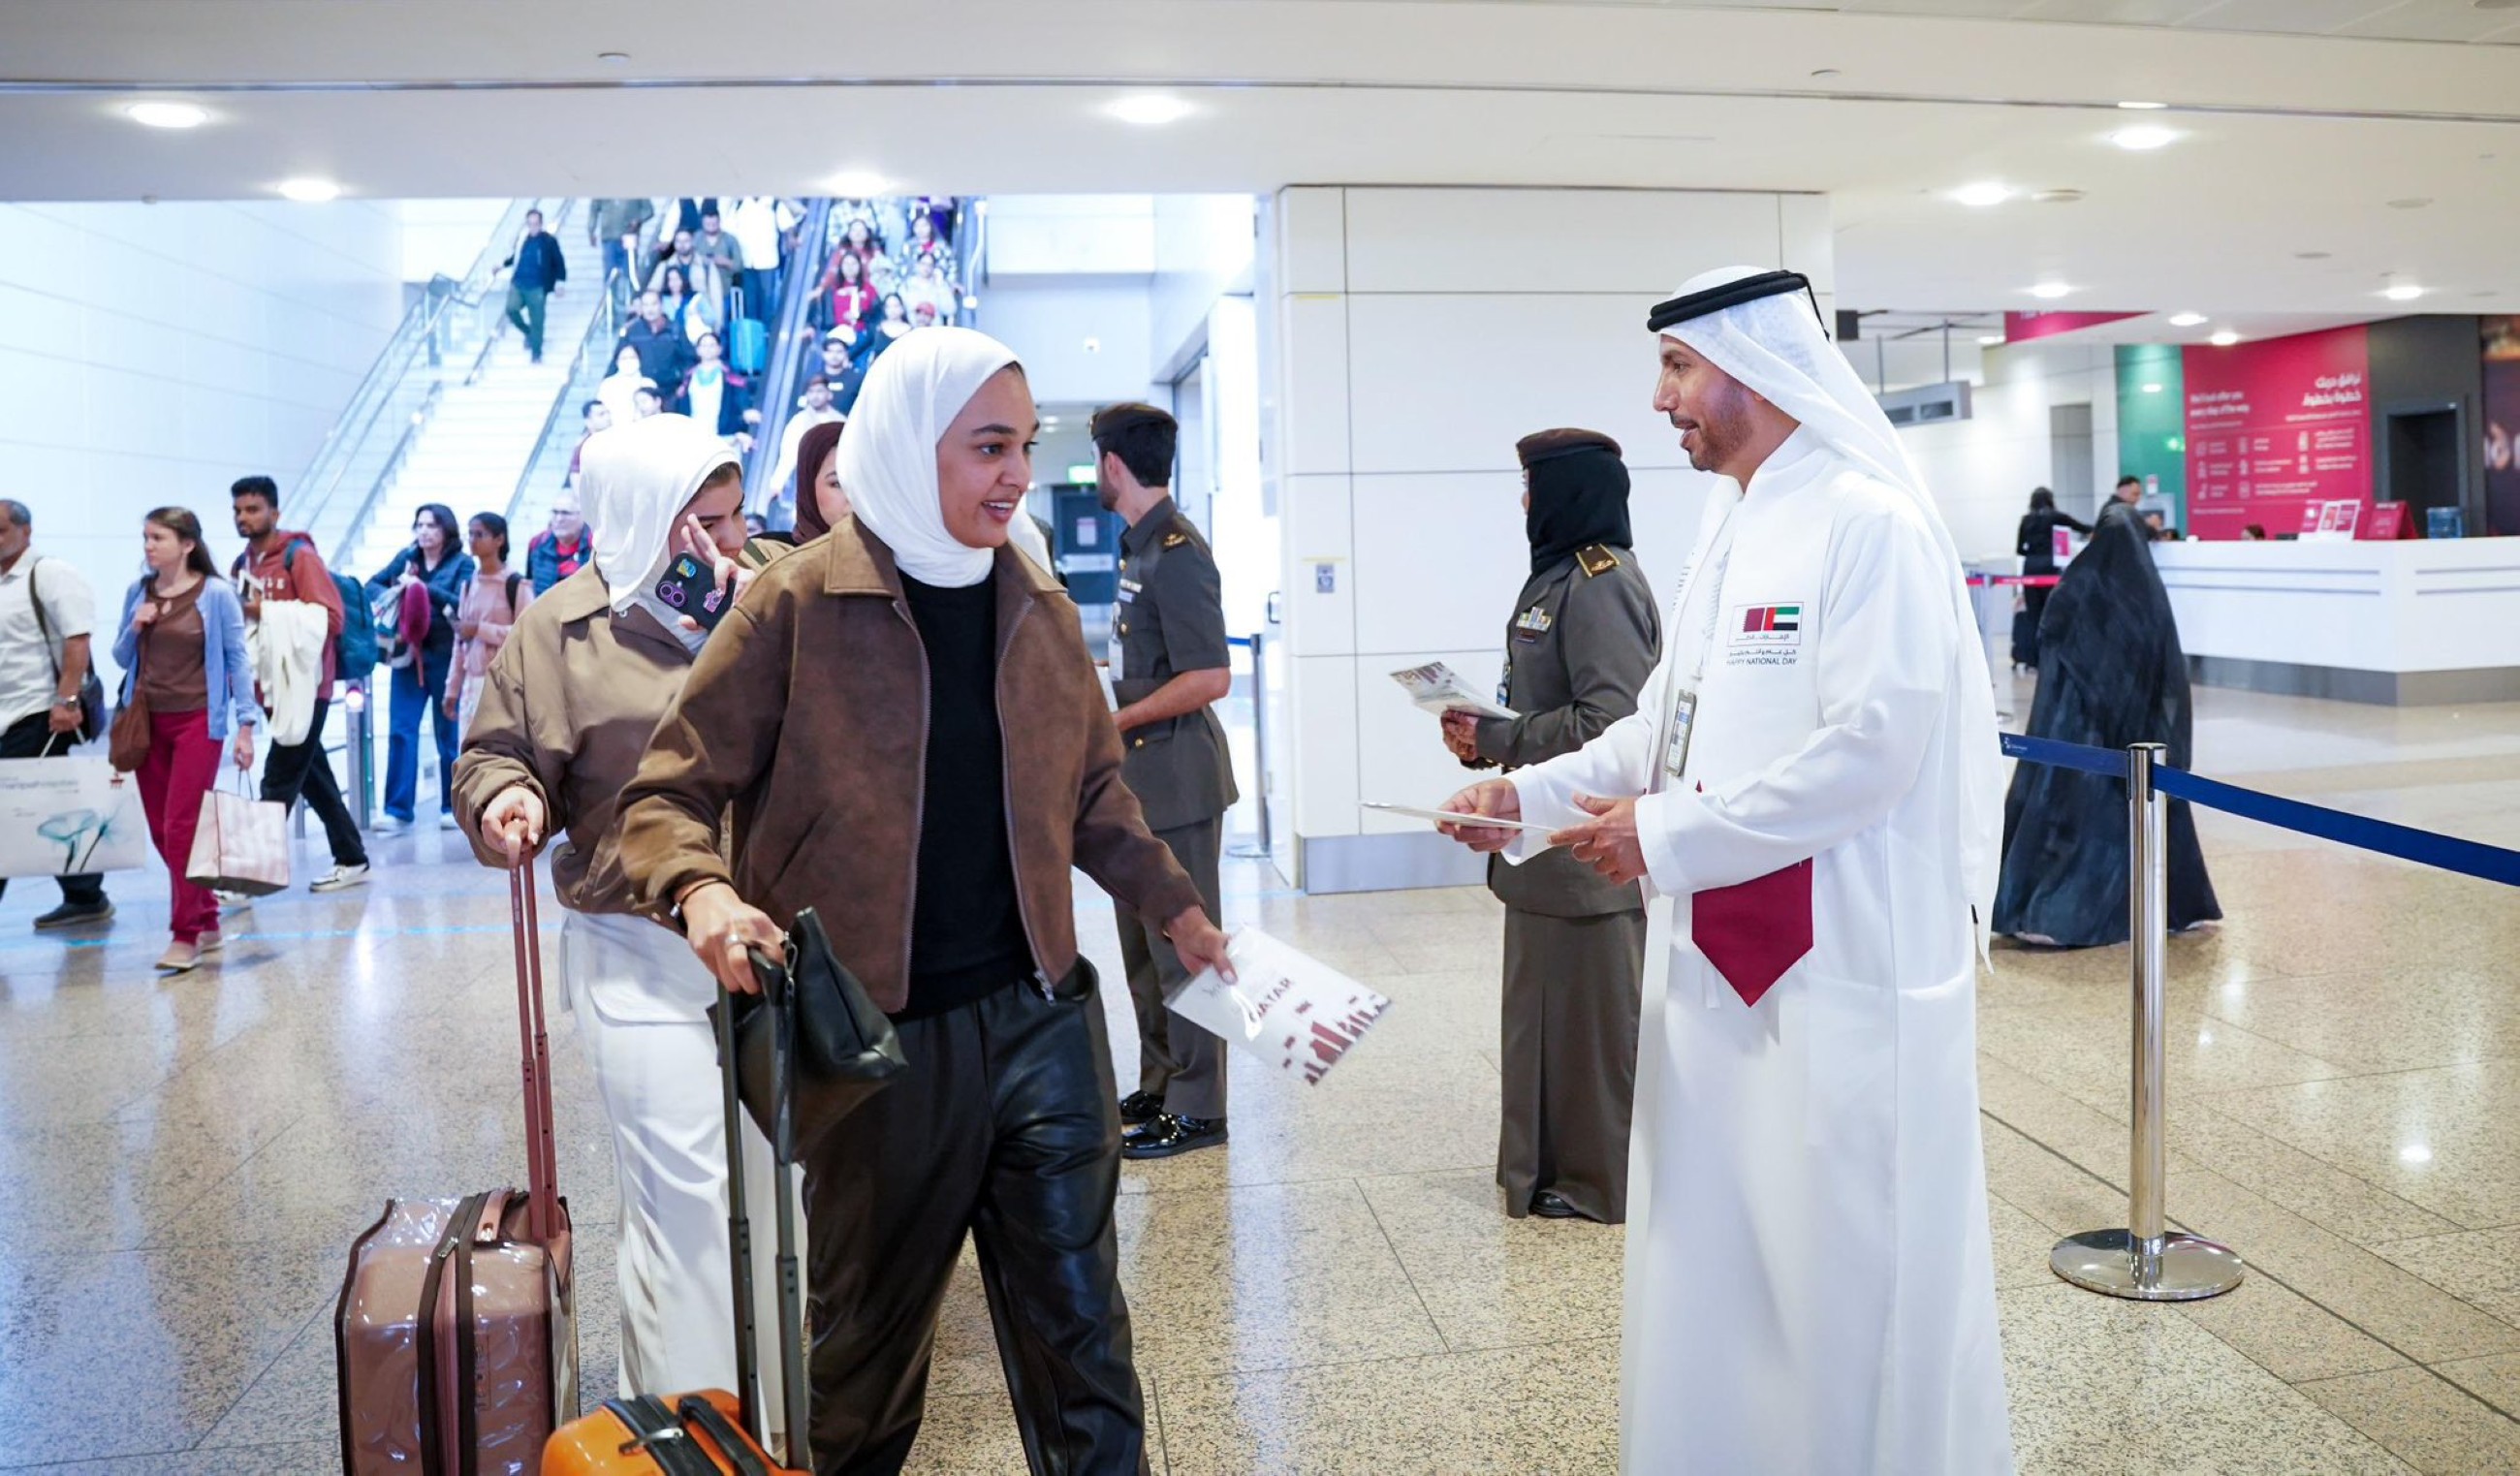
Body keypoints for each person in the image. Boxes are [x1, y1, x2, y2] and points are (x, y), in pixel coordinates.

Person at [617, 328, 1231, 1472]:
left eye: (1023, 445)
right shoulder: (794, 604)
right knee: (866, 1361)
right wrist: (699, 890)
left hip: (1043, 1017)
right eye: (986, 446)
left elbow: (1094, 791)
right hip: (876, 1042)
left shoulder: (1035, 600)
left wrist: (1178, 908)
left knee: (1084, 1341)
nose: (1014, 473)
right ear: (906, 446)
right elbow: (667, 790)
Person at [1437, 266, 2012, 1473]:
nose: (1660, 399)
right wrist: (1523, 798)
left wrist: (1661, 836)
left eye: (1677, 367)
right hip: (1712, 973)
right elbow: (1658, 730)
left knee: (1847, 1286)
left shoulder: (1870, 524)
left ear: (1752, 365)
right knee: (1723, 1267)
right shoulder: (1732, 524)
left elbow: (1872, 750)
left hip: (1843, 977)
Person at [455, 413, 791, 1422]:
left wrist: (757, 618)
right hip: (636, 941)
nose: (732, 541)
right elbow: (494, 753)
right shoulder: (561, 628)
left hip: (769, 938)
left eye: (737, 516)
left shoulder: (774, 591)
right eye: (705, 522)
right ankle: (693, 1425)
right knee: (682, 1191)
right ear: (644, 518)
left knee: (780, 1193)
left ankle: (773, 1409)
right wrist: (508, 800)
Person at [1441, 429, 1659, 1222]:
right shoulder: (1557, 578)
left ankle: (1602, 1181)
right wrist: (1484, 736)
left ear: (1570, 489)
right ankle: (1545, 1171)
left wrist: (1503, 740)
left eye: (1533, 483)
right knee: (1543, 1024)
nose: (1525, 501)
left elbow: (1613, 721)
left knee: (1595, 1034)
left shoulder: (1600, 583)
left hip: (1584, 847)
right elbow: (1547, 703)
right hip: (1540, 847)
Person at [1088, 402, 1240, 1160]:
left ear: (1114, 464)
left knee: (1185, 942)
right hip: (1141, 781)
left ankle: (1199, 1103)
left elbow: (1211, 675)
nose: (1095, 475)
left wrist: (1117, 721)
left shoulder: (1177, 551)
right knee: (1143, 946)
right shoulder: (1138, 547)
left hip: (1178, 777)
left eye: (1096, 462)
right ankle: (1161, 1080)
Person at [1995, 511, 2220, 949]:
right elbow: (2165, 673)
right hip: (2129, 742)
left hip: (2070, 733)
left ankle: (2037, 907)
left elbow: (2052, 639)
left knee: (2062, 818)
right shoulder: (2148, 595)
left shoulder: (2076, 584)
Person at [111, 508, 260, 974]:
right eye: (146, 538)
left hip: (199, 723)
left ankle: (184, 933)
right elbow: (119, 656)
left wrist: (246, 726)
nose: (148, 546)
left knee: (181, 828)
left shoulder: (215, 595)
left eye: (158, 538)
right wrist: (136, 625)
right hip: (147, 724)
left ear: (187, 544)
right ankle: (208, 914)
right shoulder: (139, 592)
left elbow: (237, 660)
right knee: (162, 830)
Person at [230, 476, 370, 894]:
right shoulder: (243, 564)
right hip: (271, 687)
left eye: (252, 509)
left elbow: (331, 617)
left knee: (278, 777)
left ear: (274, 512)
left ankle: (248, 874)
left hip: (308, 686)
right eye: (237, 510)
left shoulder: (299, 555)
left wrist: (263, 611)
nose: (243, 518)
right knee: (313, 776)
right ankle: (351, 856)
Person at [0, 499, 114, 929]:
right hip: (6, 713)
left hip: (40, 712)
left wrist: (66, 702)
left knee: (7, 809)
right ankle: (86, 895)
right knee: (42, 802)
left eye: (1, 530)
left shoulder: (48, 574)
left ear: (25, 532)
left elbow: (77, 640)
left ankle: (87, 895)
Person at [366, 504, 474, 832]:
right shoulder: (407, 557)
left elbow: (464, 603)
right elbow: (372, 585)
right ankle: (398, 809)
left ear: (446, 530)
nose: (424, 531)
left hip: (445, 656)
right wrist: (399, 590)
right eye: (420, 525)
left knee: (448, 735)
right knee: (402, 730)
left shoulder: (462, 563)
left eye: (432, 525)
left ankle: (451, 806)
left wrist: (422, 589)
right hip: (407, 657)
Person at [449, 513, 528, 738]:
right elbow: (460, 641)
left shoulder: (516, 584)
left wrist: (480, 629)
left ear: (499, 540)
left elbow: (526, 635)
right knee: (469, 753)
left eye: (480, 534)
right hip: (471, 683)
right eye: (470, 534)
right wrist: (452, 689)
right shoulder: (468, 584)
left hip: (505, 683)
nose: (473, 540)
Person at [2013, 487, 2091, 670]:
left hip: (2030, 569)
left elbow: (2019, 549)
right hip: (2049, 568)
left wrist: (2033, 551)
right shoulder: (2057, 517)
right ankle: (2051, 658)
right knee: (2051, 614)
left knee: (2033, 615)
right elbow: (2083, 528)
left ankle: (2033, 660)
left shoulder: (2026, 520)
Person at [766, 377, 843, 518]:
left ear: (829, 394)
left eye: (819, 391)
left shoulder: (840, 421)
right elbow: (788, 457)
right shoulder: (798, 421)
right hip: (805, 482)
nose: (815, 395)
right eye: (811, 392)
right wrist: (776, 484)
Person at [500, 207, 567, 364]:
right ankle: (528, 332)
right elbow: (514, 257)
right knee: (511, 309)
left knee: (537, 320)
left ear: (541, 223)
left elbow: (559, 263)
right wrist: (502, 265)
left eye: (536, 224)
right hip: (518, 282)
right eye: (530, 224)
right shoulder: (522, 239)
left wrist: (560, 283)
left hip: (537, 286)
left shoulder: (549, 241)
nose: (533, 227)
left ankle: (536, 352)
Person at [624, 291, 697, 406]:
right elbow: (622, 357)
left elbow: (690, 359)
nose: (650, 309)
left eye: (654, 304)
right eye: (645, 305)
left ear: (661, 306)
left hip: (671, 392)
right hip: (642, 392)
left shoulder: (675, 329)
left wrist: (684, 384)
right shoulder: (633, 331)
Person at [590, 197, 656, 306]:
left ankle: (633, 301)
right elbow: (594, 209)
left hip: (629, 236)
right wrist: (591, 229)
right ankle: (610, 305)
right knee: (610, 274)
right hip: (609, 238)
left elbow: (649, 210)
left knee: (630, 273)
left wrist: (638, 219)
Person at [528, 492, 594, 594]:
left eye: (565, 513)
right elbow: (529, 583)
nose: (559, 519)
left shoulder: (595, 545)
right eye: (555, 512)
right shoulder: (537, 543)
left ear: (582, 516)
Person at [596, 345, 656, 429]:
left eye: (632, 357)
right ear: (617, 362)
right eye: (624, 358)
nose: (629, 361)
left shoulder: (648, 383)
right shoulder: (607, 385)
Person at [567, 399, 612, 489]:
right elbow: (576, 474)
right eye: (601, 414)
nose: (608, 417)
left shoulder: (617, 441)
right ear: (588, 421)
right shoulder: (584, 447)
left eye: (608, 413)